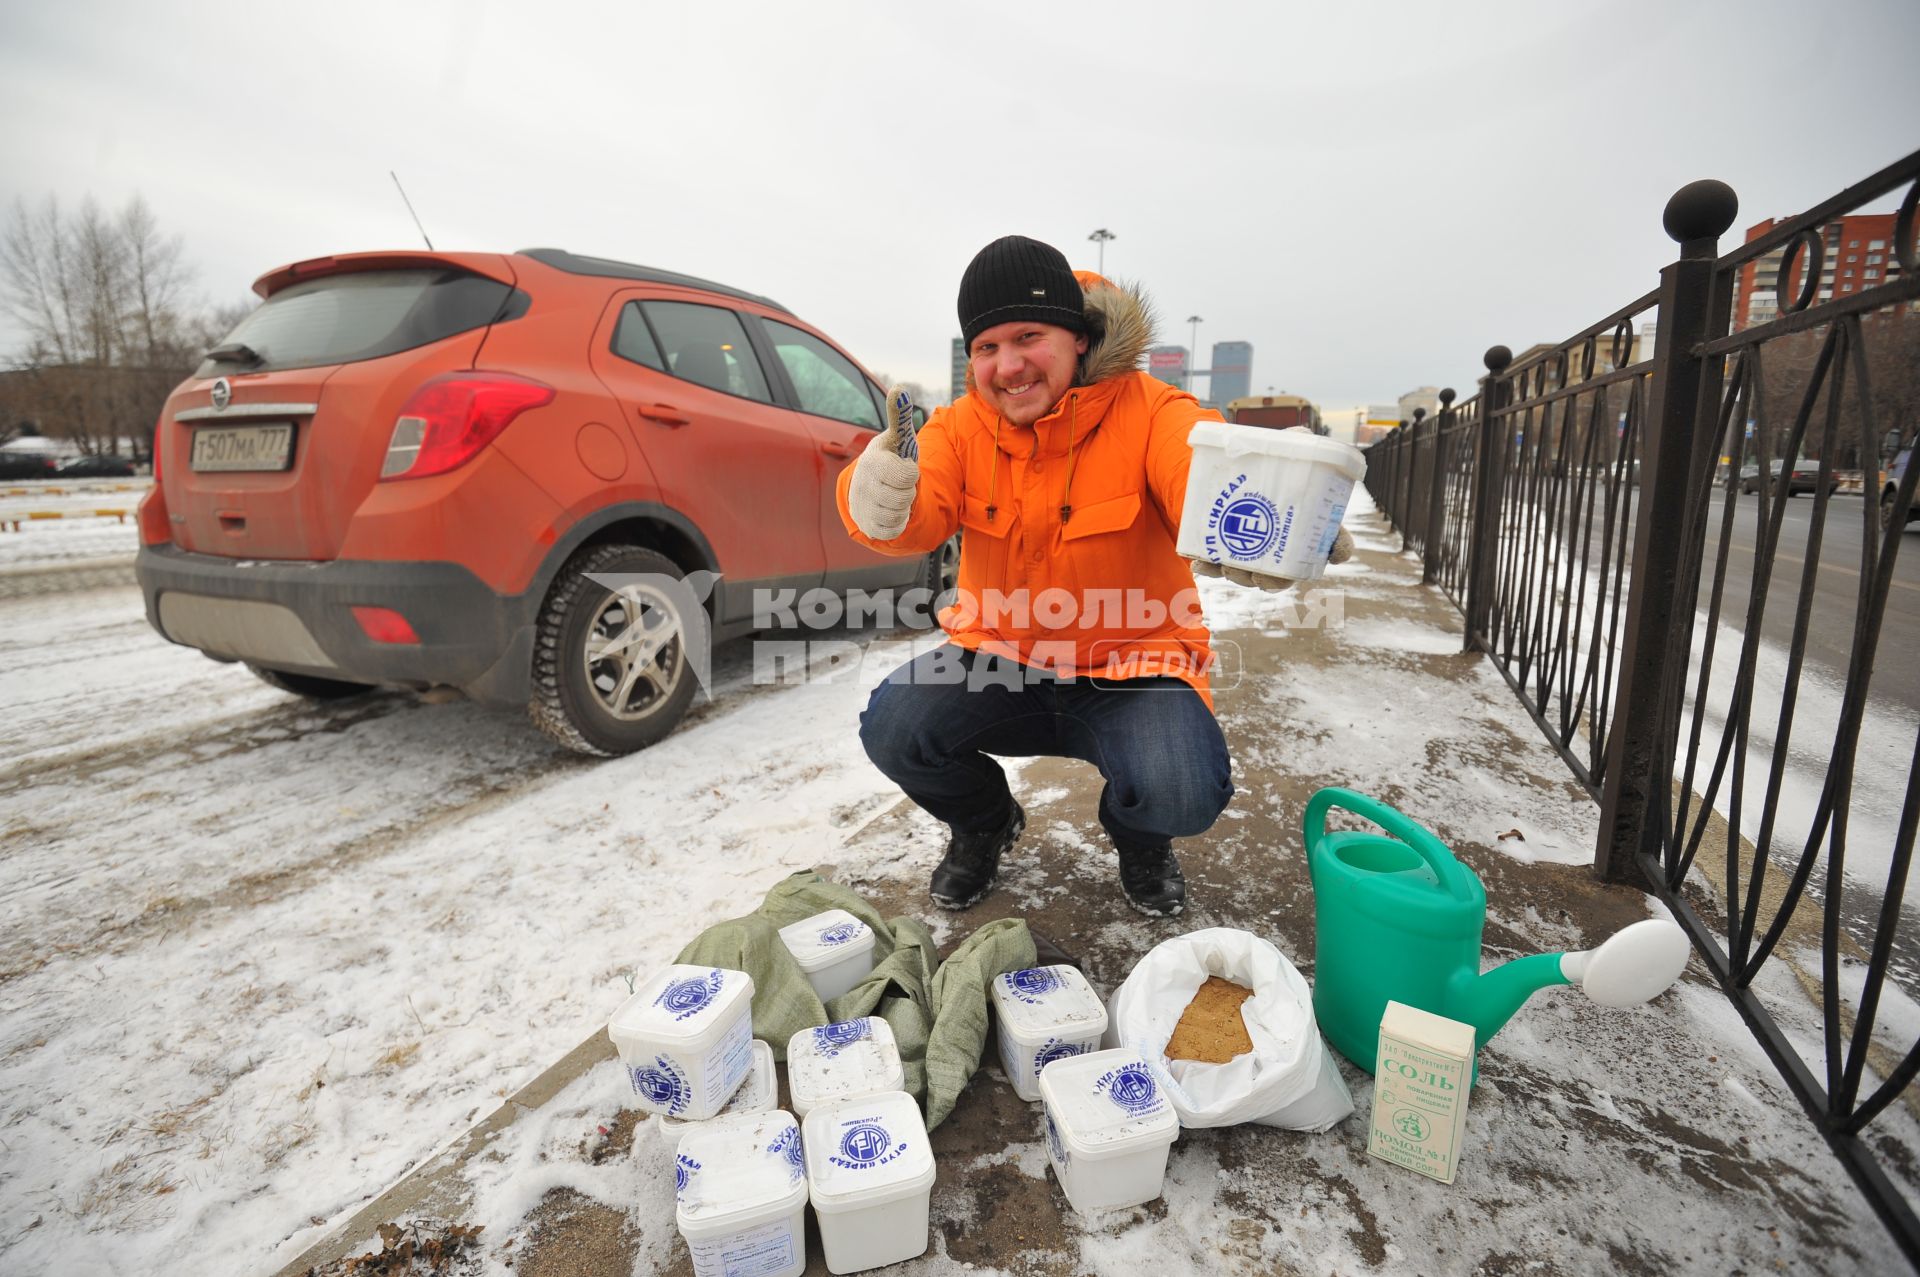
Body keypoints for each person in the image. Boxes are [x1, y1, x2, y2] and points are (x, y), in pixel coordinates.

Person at [837, 235, 1349, 917]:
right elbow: (915, 511)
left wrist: (1272, 504)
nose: (1008, 365)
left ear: (1079, 338)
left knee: (1183, 785)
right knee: (895, 725)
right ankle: (986, 822)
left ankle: (1141, 837)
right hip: (1001, 658)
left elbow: (1195, 470)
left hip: (1135, 665)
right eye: (986, 347)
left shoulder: (1152, 411)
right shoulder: (960, 429)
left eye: (1028, 336)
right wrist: (874, 492)